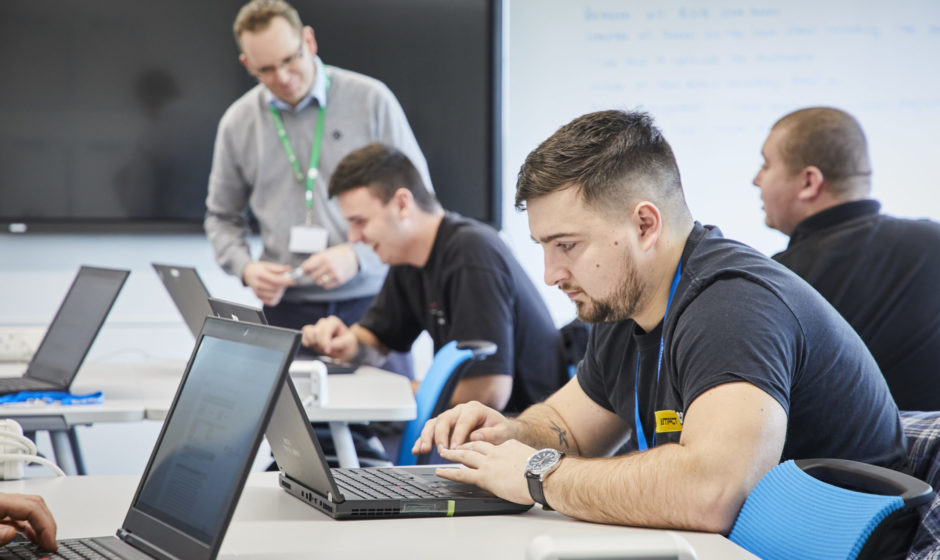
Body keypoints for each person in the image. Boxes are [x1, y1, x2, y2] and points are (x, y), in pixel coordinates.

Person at [412, 110, 907, 532]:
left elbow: (712, 493)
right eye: (544, 248)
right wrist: (511, 436)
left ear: (645, 225)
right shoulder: (625, 302)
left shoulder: (731, 306)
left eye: (567, 246)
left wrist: (538, 474)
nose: (550, 275)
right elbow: (568, 425)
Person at [205, 0, 430, 374]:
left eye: (290, 59)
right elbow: (220, 217)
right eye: (266, 69)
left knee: (386, 424)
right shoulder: (238, 122)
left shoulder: (371, 100)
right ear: (247, 65)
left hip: (375, 304)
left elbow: (419, 203)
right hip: (286, 311)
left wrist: (359, 257)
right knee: (295, 431)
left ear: (308, 41)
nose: (283, 77)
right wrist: (246, 268)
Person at [302, 143, 566, 414]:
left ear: (402, 204)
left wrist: (388, 388)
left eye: (360, 222)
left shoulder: (471, 253)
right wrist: (346, 343)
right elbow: (377, 339)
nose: (353, 238)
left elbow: (487, 393)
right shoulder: (405, 258)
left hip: (521, 433)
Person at [753, 107, 940, 411]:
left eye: (766, 165)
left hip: (842, 459)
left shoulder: (781, 281)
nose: (756, 180)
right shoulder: (933, 241)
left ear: (809, 182)